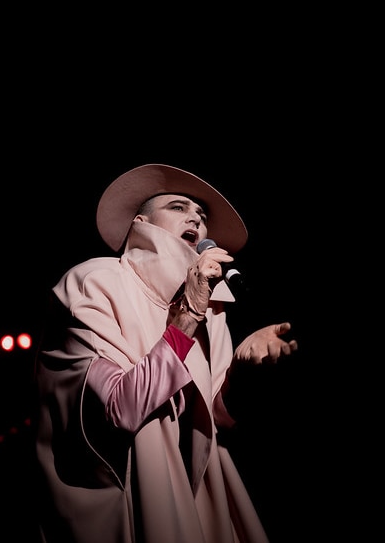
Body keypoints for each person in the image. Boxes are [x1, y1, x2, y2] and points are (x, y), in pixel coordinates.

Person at [33, 163, 298, 543]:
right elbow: (120, 408)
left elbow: (215, 418)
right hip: (124, 505)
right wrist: (188, 314)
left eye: (201, 216)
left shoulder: (212, 309)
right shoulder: (95, 282)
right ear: (141, 222)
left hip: (195, 498)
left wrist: (241, 370)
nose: (195, 217)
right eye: (177, 207)